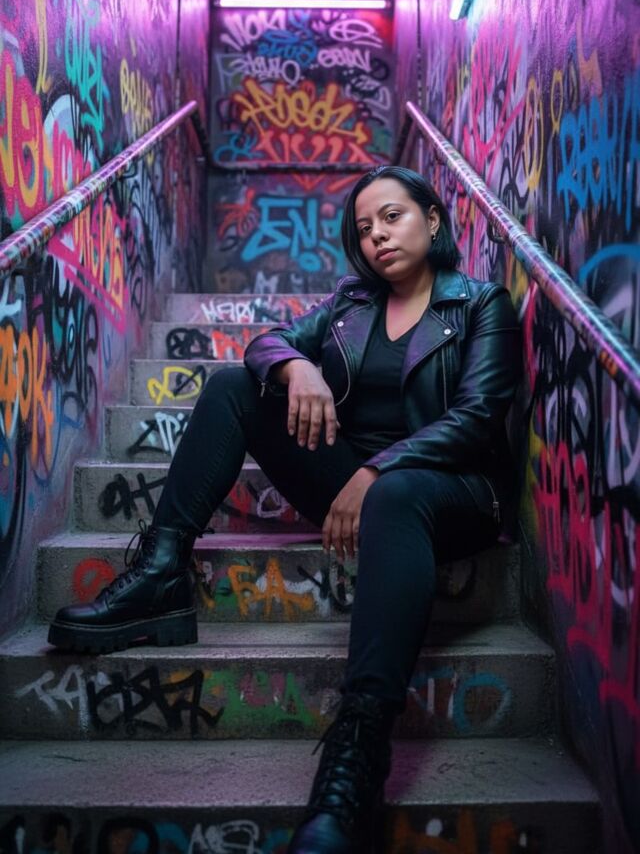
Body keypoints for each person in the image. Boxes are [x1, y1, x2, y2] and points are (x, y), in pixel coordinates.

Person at [48, 165, 522, 854]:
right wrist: (295, 367)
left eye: (392, 217)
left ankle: (357, 752)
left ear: (432, 219)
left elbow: (476, 419)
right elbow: (266, 341)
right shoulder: (352, 303)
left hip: (447, 493)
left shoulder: (480, 305)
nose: (377, 236)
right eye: (364, 227)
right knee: (232, 387)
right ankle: (161, 571)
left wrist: (377, 472)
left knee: (395, 493)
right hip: (355, 484)